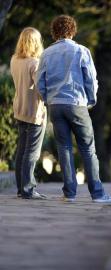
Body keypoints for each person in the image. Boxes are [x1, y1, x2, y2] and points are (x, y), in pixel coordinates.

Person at [36, 15, 111, 203]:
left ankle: (69, 194)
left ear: (54, 32)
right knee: (88, 149)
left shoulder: (46, 53)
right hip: (76, 103)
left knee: (63, 148)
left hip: (55, 105)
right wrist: (90, 100)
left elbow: (40, 82)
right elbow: (90, 79)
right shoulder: (81, 51)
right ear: (73, 30)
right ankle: (97, 194)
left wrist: (48, 99)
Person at [10, 27, 47, 200]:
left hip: (20, 108)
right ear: (35, 42)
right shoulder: (35, 63)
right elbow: (40, 90)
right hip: (34, 112)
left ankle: (20, 189)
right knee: (32, 152)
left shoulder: (14, 60)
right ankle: (28, 190)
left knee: (21, 151)